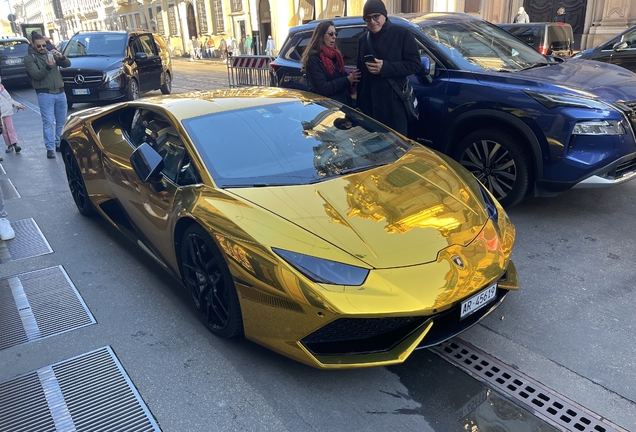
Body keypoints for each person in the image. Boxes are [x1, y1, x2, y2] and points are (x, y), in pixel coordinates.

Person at [356, 0, 421, 136]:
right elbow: (361, 74)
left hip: (394, 105)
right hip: (370, 107)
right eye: (367, 18)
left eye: (376, 16)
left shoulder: (402, 34)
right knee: (372, 149)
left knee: (397, 147)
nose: (372, 22)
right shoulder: (363, 40)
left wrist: (385, 67)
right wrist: (359, 106)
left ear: (384, 15)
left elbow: (414, 64)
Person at [24, 32, 71, 159]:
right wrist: (48, 67)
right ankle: (50, 148)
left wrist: (61, 57)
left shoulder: (49, 54)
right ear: (33, 45)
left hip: (60, 92)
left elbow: (67, 64)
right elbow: (36, 75)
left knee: (61, 121)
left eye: (44, 45)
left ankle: (58, 143)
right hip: (45, 93)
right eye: (39, 46)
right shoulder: (29, 58)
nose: (42, 48)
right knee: (48, 122)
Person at [301, 20, 360, 106]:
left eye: (336, 34)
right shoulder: (313, 58)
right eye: (330, 34)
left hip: (342, 105)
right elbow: (323, 88)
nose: (334, 37)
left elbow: (339, 77)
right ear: (321, 36)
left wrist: (351, 77)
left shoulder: (335, 55)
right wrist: (347, 80)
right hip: (328, 109)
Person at [0, 78, 26, 154]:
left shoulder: (2, 89)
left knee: (10, 128)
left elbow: (10, 100)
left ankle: (15, 144)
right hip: (0, 116)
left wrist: (18, 105)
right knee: (4, 131)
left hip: (7, 113)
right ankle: (9, 145)